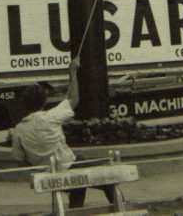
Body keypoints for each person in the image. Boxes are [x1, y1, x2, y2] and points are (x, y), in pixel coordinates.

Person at [11, 56, 114, 209]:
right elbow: (74, 99)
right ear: (43, 102)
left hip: (48, 176)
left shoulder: (19, 130)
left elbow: (21, 161)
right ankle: (122, 208)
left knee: (78, 187)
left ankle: (75, 211)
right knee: (109, 179)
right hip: (70, 168)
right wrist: (72, 70)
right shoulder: (51, 117)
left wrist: (41, 165)